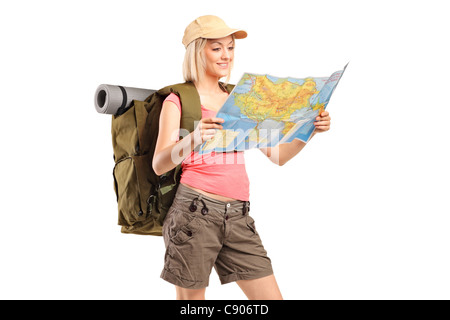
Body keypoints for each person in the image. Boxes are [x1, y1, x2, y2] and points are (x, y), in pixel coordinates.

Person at [152, 15, 331, 300]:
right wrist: (195, 137)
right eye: (217, 48)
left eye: (231, 48)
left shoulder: (240, 98)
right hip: (193, 214)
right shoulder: (178, 101)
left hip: (238, 217)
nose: (227, 56)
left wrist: (309, 131)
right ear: (198, 52)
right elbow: (159, 164)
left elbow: (279, 156)